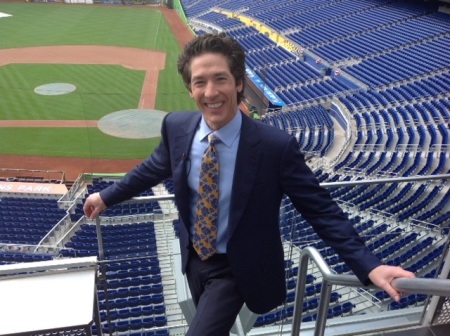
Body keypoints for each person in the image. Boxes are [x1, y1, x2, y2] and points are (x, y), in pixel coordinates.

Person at [83, 32, 415, 335]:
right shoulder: (176, 127)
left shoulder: (275, 147)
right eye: (200, 82)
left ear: (239, 83)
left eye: (220, 79)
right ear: (190, 89)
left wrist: (369, 266)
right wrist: (106, 197)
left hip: (237, 268)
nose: (210, 92)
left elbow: (321, 210)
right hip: (194, 258)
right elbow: (152, 168)